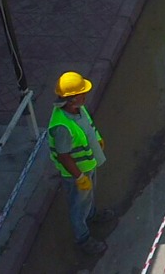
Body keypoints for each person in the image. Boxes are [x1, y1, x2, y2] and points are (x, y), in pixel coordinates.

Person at [48, 71, 114, 256]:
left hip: (88, 165)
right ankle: (83, 238)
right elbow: (64, 156)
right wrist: (79, 177)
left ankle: (91, 216)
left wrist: (97, 139)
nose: (85, 96)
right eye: (81, 94)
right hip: (77, 174)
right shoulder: (61, 127)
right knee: (78, 205)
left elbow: (88, 125)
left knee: (88, 197)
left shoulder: (78, 108)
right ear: (70, 99)